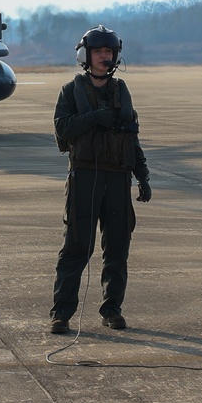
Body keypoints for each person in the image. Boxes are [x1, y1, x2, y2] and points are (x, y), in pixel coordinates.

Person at [49, 25, 151, 333]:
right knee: (76, 248)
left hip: (118, 178)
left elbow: (132, 137)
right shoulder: (71, 90)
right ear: (86, 56)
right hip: (84, 177)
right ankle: (61, 313)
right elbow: (62, 129)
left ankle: (112, 310)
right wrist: (94, 118)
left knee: (118, 249)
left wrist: (142, 175)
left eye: (109, 52)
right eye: (99, 52)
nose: (104, 57)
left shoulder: (121, 90)